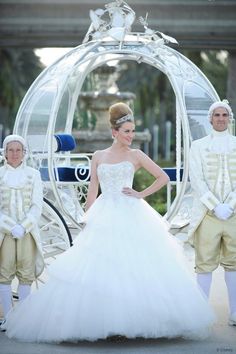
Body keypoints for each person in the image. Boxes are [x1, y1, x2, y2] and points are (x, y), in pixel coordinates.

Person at [4, 103, 214, 342]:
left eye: (133, 131)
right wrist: (87, 217)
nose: (131, 136)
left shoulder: (136, 155)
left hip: (131, 212)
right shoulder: (99, 156)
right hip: (104, 213)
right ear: (114, 132)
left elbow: (163, 177)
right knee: (99, 266)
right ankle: (106, 321)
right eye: (127, 131)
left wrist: (140, 193)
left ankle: (134, 319)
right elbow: (93, 189)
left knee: (134, 266)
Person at [188, 100, 236, 327]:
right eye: (216, 115)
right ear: (210, 119)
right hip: (208, 214)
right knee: (204, 263)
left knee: (234, 263)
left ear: (229, 118)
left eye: (224, 115)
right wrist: (215, 205)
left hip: (234, 214)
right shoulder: (197, 146)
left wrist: (231, 205)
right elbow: (196, 179)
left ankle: (235, 312)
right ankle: (199, 314)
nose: (220, 118)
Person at [0, 135, 44, 328]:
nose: (14, 154)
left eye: (18, 150)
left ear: (24, 153)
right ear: (4, 153)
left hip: (27, 232)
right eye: (11, 150)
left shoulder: (33, 175)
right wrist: (10, 227)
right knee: (4, 271)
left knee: (26, 271)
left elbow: (37, 205)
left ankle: (23, 319)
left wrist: (24, 226)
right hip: (4, 232)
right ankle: (8, 317)